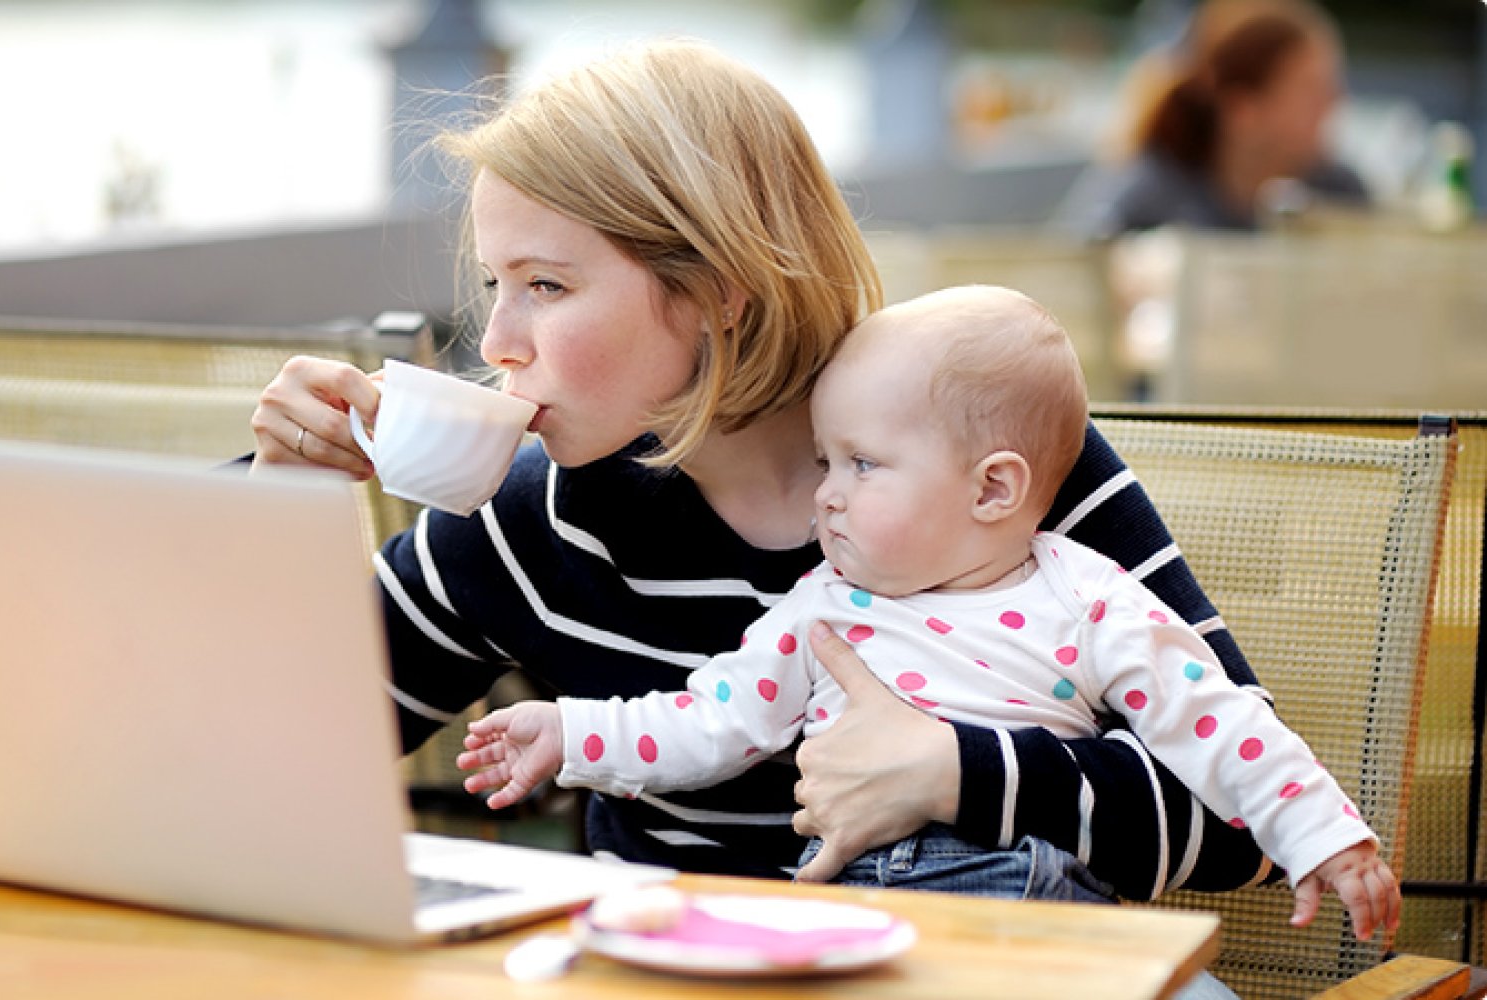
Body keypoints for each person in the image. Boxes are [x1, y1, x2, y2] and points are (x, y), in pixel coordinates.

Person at [252, 37, 1271, 919]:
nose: (499, 342)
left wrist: (955, 773)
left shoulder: (986, 475)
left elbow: (1247, 825)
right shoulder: (543, 514)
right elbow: (258, 742)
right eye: (493, 284)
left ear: (716, 291)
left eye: (546, 286)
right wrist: (267, 494)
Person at [456, 285, 1400, 939]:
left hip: (1037, 905)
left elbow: (1221, 726)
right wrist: (571, 734)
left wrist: (1325, 837)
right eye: (826, 462)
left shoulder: (1086, 595)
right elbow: (711, 721)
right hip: (857, 919)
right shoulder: (819, 609)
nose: (824, 495)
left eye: (861, 466)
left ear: (993, 489)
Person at [1058, 0, 1369, 238]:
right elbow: (1069, 277)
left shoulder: (1340, 196)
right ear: (1243, 109)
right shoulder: (1150, 197)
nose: (1334, 102)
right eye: (1310, 89)